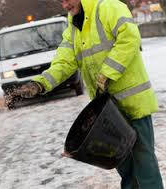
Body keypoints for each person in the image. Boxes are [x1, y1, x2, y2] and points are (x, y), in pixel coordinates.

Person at [17, 0, 163, 188]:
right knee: (125, 168)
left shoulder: (108, 7)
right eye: (61, 1)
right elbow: (64, 61)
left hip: (133, 104)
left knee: (144, 166)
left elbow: (130, 37)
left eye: (67, 0)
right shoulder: (73, 26)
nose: (65, 6)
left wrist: (107, 73)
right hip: (108, 113)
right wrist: (40, 83)